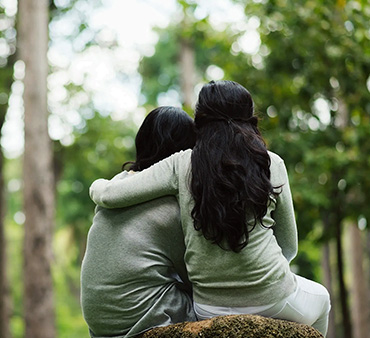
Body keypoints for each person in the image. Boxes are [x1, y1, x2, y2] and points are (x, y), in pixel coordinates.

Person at [89, 80, 331, 336]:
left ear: (200, 122)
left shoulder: (181, 164)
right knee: (323, 299)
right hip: (273, 297)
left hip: (207, 307)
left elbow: (109, 195)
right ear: (250, 119)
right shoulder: (271, 163)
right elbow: (288, 246)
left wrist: (97, 185)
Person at [81, 106, 197, 338]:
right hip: (140, 318)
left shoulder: (118, 183)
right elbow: (192, 275)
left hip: (98, 322)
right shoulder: (169, 207)